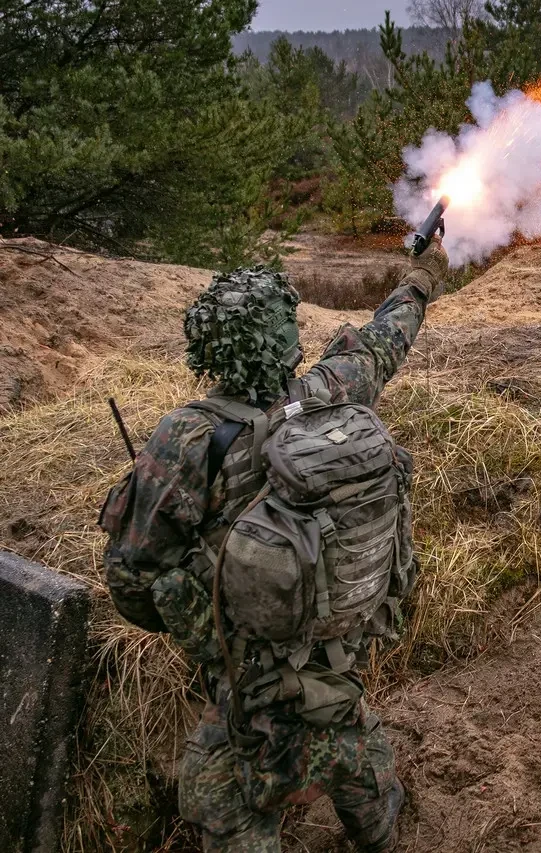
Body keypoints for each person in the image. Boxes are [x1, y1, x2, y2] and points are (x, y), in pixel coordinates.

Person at [98, 237, 449, 851]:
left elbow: (129, 580)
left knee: (220, 801)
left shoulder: (187, 437)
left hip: (245, 674)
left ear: (205, 345)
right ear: (286, 337)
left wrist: (205, 626)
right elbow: (383, 340)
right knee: (350, 744)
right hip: (337, 644)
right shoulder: (330, 392)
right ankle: (379, 828)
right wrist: (421, 276)